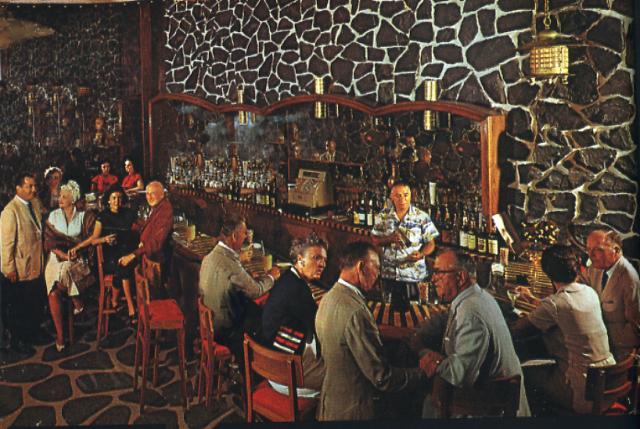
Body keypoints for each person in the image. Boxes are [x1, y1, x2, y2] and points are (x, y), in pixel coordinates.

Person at [315, 241, 428, 421]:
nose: (379, 275)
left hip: (330, 404)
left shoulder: (328, 298)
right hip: (355, 411)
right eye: (376, 267)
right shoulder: (356, 311)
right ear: (361, 267)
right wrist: (422, 373)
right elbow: (382, 378)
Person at [417, 249, 530, 417]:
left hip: (492, 411)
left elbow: (460, 375)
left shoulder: (470, 312)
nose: (433, 279)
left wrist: (430, 358)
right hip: (496, 404)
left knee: (423, 399)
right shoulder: (478, 297)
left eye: (439, 273)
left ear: (460, 277)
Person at [513, 245, 615, 413]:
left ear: (548, 273)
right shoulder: (590, 293)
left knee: (522, 374)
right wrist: (532, 299)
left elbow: (518, 330)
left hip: (579, 392)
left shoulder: (555, 304)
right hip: (605, 384)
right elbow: (564, 308)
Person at [199, 212, 280, 365]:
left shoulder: (211, 256)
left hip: (211, 324)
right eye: (244, 233)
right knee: (268, 322)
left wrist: (246, 276)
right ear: (234, 236)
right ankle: (257, 371)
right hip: (225, 331)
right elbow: (256, 291)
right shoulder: (229, 263)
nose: (246, 237)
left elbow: (229, 278)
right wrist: (271, 276)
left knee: (257, 312)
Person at [261, 233, 328, 396]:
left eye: (324, 260)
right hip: (287, 378)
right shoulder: (299, 290)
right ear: (300, 260)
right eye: (316, 258)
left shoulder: (287, 279)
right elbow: (321, 330)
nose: (322, 264)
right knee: (345, 375)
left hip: (271, 369)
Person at [44, 180, 96, 352]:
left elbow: (91, 239)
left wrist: (76, 252)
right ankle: (76, 301)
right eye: (60, 196)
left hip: (78, 259)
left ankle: (61, 335)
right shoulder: (53, 216)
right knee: (54, 289)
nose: (60, 199)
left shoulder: (83, 216)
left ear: (73, 199)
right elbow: (50, 242)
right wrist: (64, 255)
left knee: (63, 275)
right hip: (56, 257)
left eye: (64, 196)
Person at [371, 181, 438, 309]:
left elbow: (431, 244)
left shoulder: (422, 217)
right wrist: (389, 238)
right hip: (389, 274)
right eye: (398, 196)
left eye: (406, 195)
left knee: (415, 312)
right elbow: (374, 239)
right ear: (391, 197)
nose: (403, 199)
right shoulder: (383, 216)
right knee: (388, 311)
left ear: (411, 196)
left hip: (413, 275)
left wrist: (421, 254)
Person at [1, 172, 46, 349]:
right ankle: (19, 340)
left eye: (34, 186)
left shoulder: (34, 204)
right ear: (18, 188)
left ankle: (33, 333)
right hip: (20, 267)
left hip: (36, 263)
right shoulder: (10, 211)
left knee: (34, 301)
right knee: (20, 305)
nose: (34, 189)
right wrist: (9, 269)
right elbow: (6, 244)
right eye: (29, 186)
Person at [582, 228, 640, 360]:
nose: (591, 255)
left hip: (619, 352)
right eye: (588, 249)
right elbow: (580, 286)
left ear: (616, 250)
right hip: (598, 345)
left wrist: (603, 341)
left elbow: (635, 329)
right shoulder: (596, 268)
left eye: (598, 250)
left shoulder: (630, 279)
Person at [92, 187, 138, 323]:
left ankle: (115, 300)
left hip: (125, 253)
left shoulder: (129, 214)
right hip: (109, 256)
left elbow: (139, 230)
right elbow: (94, 240)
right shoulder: (102, 216)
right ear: (108, 200)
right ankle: (131, 307)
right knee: (123, 265)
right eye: (113, 198)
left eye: (119, 198)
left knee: (124, 263)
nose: (116, 201)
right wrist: (105, 239)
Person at [118, 181, 173, 278]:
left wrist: (133, 255)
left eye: (153, 193)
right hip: (148, 256)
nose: (149, 197)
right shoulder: (158, 206)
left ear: (162, 195)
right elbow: (152, 226)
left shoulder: (165, 209)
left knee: (123, 269)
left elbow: (157, 242)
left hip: (155, 262)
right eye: (147, 194)